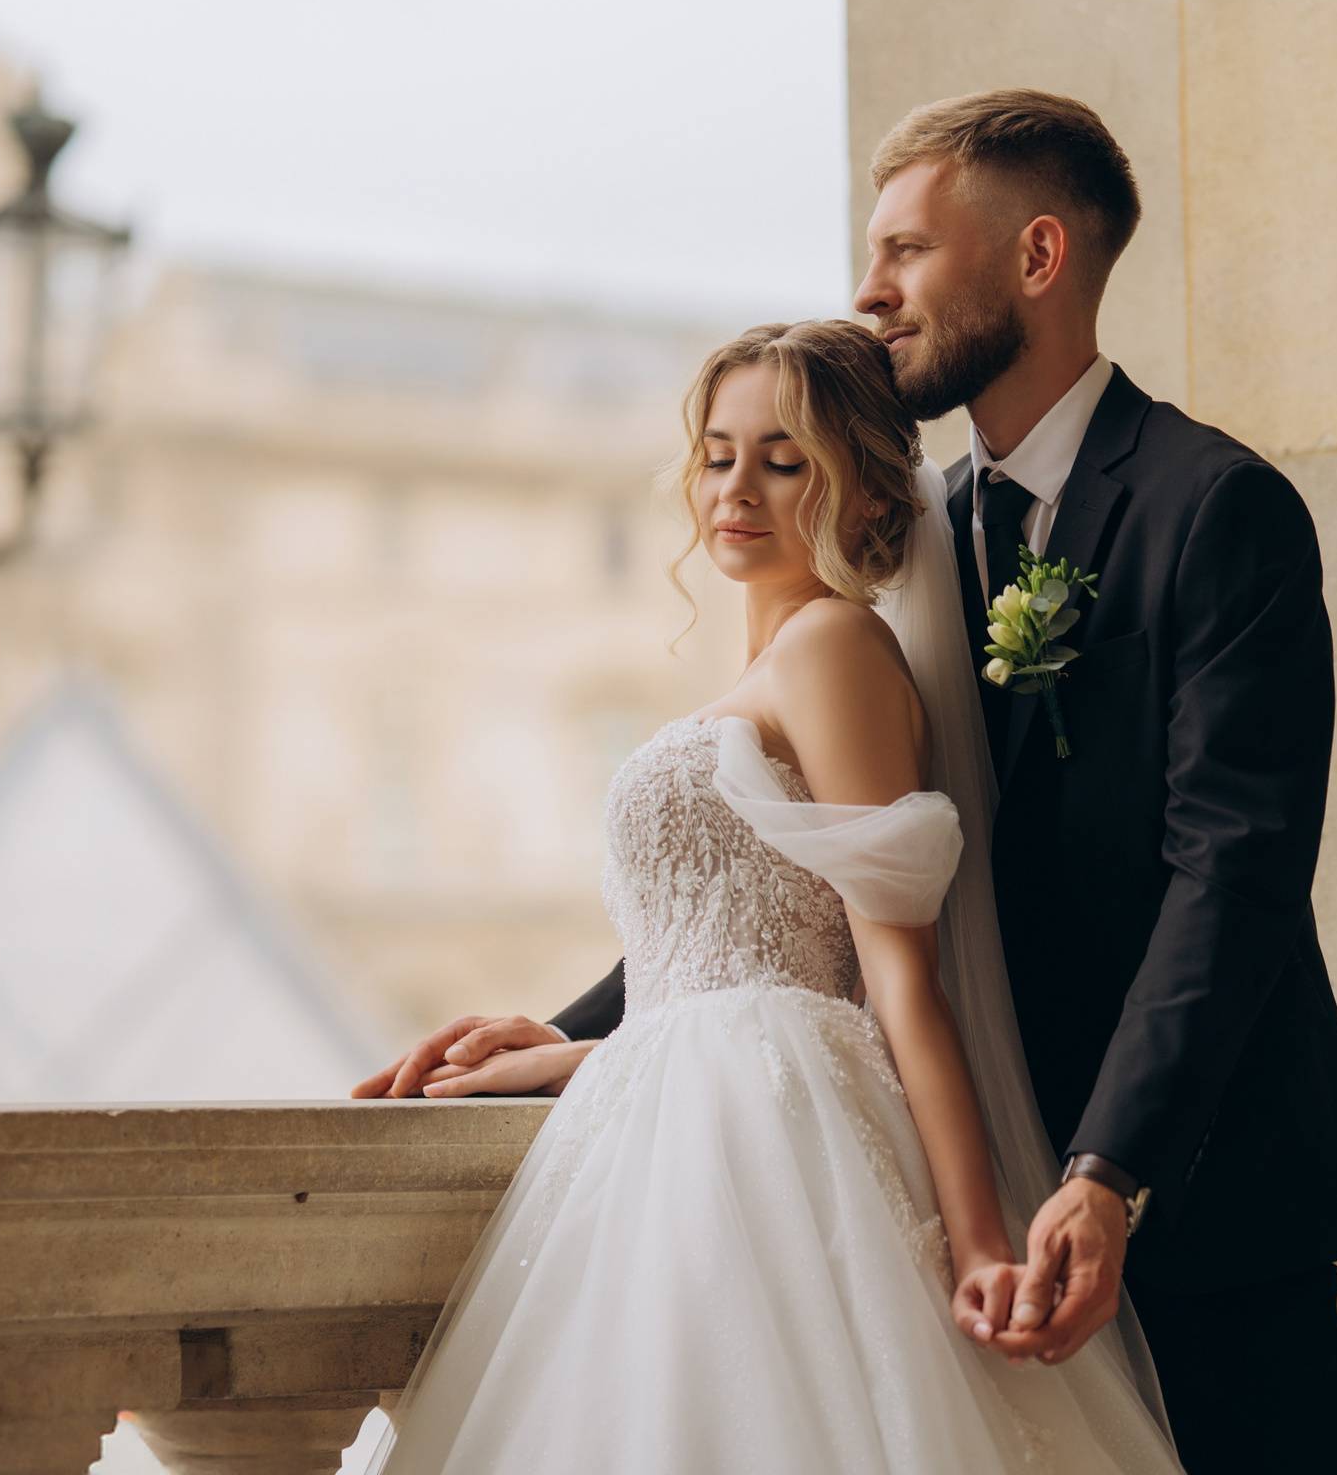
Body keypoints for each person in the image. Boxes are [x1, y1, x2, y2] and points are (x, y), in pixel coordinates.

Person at [366, 91, 1337, 1475]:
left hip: (1194, 1184)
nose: (871, 290)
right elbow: (819, 860)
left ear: (1037, 257)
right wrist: (571, 1034)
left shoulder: (1212, 508)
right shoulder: (910, 528)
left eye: (909, 252)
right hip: (951, 1151)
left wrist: (1108, 1171)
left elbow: (1238, 870)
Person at [356, 319, 1182, 1474]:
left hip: (774, 1162)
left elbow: (896, 975)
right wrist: (572, 1043)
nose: (735, 487)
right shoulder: (772, 661)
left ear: (861, 493)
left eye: (783, 459)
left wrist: (979, 1240)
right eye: (717, 451)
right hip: (678, 1122)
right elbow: (736, 973)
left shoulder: (831, 645)